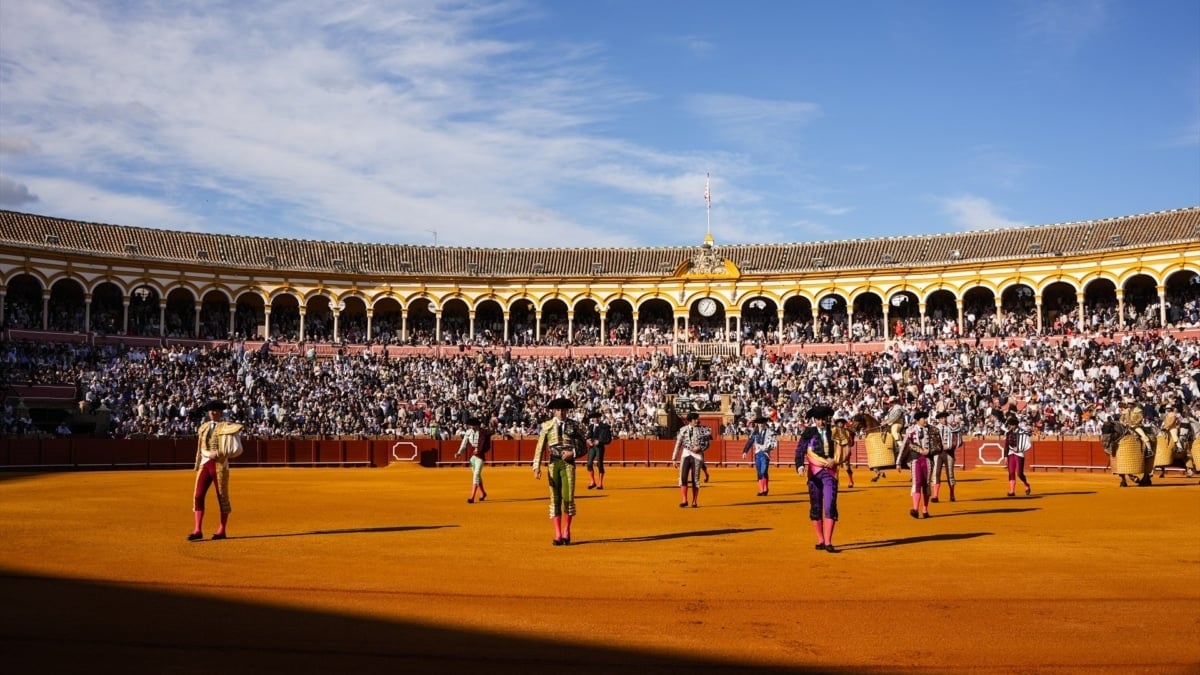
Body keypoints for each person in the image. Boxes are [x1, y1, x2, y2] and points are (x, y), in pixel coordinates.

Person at [532, 397, 586, 546]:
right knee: (554, 499)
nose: (561, 412)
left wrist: (573, 453)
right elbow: (540, 447)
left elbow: (584, 447)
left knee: (568, 498)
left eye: (563, 410)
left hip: (568, 464)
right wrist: (536, 466)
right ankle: (557, 533)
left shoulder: (574, 426)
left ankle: (566, 531)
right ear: (554, 411)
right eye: (558, 410)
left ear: (567, 411)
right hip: (553, 464)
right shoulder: (546, 426)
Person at [189, 399, 244, 541]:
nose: (213, 412)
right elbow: (200, 447)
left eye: (216, 410)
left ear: (220, 412)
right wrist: (208, 454)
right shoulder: (204, 427)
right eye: (211, 410)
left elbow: (237, 449)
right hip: (205, 463)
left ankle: (222, 530)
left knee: (222, 497)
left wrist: (221, 454)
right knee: (198, 495)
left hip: (220, 465)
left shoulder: (228, 426)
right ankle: (197, 529)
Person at [796, 405, 842, 553]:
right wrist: (799, 466)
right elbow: (800, 450)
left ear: (827, 419)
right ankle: (821, 540)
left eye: (823, 419)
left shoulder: (834, 431)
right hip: (814, 473)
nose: (821, 422)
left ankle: (828, 541)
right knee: (816, 507)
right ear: (814, 419)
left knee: (829, 505)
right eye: (818, 419)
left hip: (830, 472)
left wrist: (835, 460)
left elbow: (844, 448)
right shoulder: (809, 432)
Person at [671, 412, 709, 507]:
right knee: (683, 477)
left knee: (695, 479)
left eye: (697, 419)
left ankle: (694, 501)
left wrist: (699, 448)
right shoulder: (683, 430)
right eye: (695, 419)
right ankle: (684, 500)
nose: (697, 420)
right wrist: (674, 458)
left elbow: (707, 444)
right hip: (686, 454)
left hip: (697, 455)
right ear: (690, 420)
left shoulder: (703, 430)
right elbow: (678, 444)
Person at [904, 410, 934, 518]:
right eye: (923, 418)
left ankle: (925, 510)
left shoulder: (932, 430)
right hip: (916, 459)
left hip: (927, 460)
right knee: (917, 483)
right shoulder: (911, 431)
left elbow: (937, 444)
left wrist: (929, 450)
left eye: (926, 418)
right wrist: (921, 450)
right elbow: (909, 445)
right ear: (918, 420)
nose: (926, 420)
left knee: (926, 484)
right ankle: (915, 509)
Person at [455, 416, 491, 503]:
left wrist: (479, 449)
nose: (471, 427)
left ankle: (472, 496)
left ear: (477, 425)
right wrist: (459, 452)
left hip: (480, 456)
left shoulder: (483, 432)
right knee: (477, 475)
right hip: (472, 456)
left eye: (472, 425)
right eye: (470, 426)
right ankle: (483, 493)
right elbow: (464, 443)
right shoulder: (468, 432)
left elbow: (486, 444)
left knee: (476, 474)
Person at [741, 415, 778, 496]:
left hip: (765, 454)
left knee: (763, 471)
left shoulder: (770, 432)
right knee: (759, 472)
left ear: (765, 423)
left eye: (762, 423)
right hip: (758, 453)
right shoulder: (755, 432)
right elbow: (750, 442)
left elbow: (774, 443)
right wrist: (745, 451)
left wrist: (769, 447)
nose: (761, 424)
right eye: (759, 423)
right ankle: (762, 490)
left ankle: (765, 489)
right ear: (757, 424)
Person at [930, 410, 961, 503]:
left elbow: (958, 440)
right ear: (939, 419)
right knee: (936, 473)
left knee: (950, 474)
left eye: (945, 418)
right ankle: (935, 495)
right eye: (942, 418)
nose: (944, 419)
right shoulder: (934, 429)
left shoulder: (952, 428)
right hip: (938, 453)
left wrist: (950, 446)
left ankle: (952, 494)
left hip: (949, 453)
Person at [1002, 416, 1033, 497]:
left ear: (1015, 425)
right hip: (1010, 453)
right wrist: (1005, 456)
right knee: (1011, 472)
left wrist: (1019, 448)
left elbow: (1028, 443)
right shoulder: (1009, 433)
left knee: (1019, 473)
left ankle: (1026, 485)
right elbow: (1006, 445)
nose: (1010, 426)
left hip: (1019, 453)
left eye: (1011, 425)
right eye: (1010, 425)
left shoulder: (1023, 432)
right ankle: (1012, 491)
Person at [585, 410, 612, 490]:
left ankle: (600, 483)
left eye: (597, 417)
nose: (595, 419)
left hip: (599, 447)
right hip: (592, 447)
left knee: (599, 464)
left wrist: (600, 441)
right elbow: (588, 436)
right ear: (592, 419)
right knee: (589, 463)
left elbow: (608, 439)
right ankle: (593, 482)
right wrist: (588, 440)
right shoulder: (590, 426)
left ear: (599, 418)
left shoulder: (604, 427)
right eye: (594, 417)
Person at [831, 416, 855, 488]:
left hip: (845, 448)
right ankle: (835, 481)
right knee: (836, 464)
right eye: (839, 423)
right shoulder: (834, 429)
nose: (841, 424)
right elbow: (832, 438)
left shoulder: (847, 431)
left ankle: (851, 481)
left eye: (842, 423)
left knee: (847, 466)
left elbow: (850, 442)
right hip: (837, 447)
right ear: (837, 424)